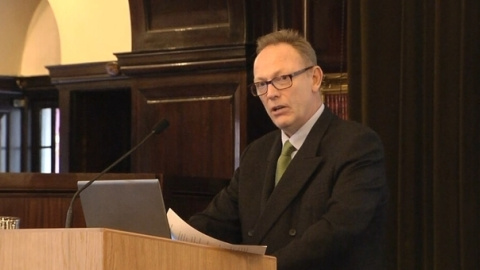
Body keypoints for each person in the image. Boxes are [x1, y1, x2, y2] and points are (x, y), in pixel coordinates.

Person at [188, 29, 388, 270]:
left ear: (315, 78)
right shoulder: (256, 154)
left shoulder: (356, 145)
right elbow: (214, 223)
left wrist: (263, 268)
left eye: (283, 79)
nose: (271, 93)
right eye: (262, 84)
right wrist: (165, 238)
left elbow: (336, 232)